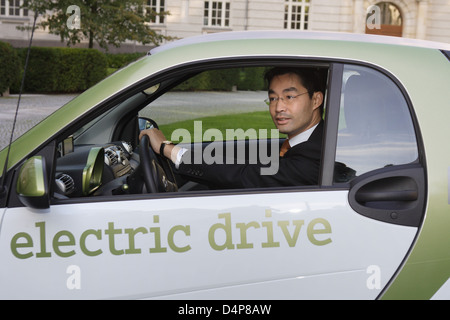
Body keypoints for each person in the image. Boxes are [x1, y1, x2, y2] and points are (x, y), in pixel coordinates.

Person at [139, 67, 325, 189]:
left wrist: (168, 149)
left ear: (316, 100)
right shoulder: (302, 143)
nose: (278, 108)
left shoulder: (318, 153)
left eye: (289, 97)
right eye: (273, 98)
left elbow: (245, 174)